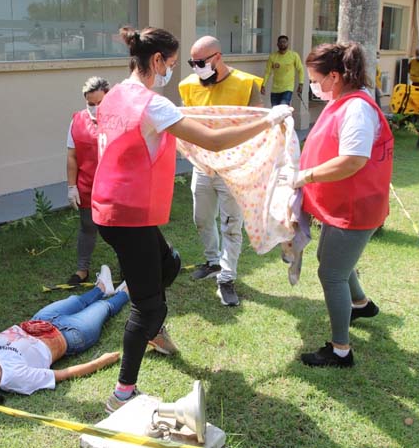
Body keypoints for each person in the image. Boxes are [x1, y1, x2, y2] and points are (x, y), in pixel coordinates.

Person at [94, 26, 293, 412]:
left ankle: (151, 325)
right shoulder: (153, 105)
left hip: (113, 207)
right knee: (148, 306)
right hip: (127, 215)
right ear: (156, 61)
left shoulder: (117, 94)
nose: (173, 71)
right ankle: (122, 393)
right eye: (171, 63)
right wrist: (269, 120)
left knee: (168, 264)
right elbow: (214, 141)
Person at [279, 42, 393, 368]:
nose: (314, 86)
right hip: (344, 204)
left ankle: (340, 351)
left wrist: (305, 177)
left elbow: (353, 160)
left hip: (355, 207)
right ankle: (361, 304)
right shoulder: (344, 101)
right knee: (333, 263)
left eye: (316, 79)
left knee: (331, 274)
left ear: (334, 76)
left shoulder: (357, 109)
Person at [0, 270, 127, 402]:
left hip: (41, 320)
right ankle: (127, 291)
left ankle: (102, 287)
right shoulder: (13, 378)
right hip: (70, 334)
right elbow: (63, 374)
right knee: (105, 307)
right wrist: (101, 362)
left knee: (77, 299)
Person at [179, 36, 263, 307]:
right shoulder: (188, 85)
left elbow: (257, 122)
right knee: (201, 218)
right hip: (203, 166)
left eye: (201, 62)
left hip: (233, 167)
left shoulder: (247, 84)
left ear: (218, 57)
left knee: (231, 224)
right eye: (193, 63)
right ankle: (213, 261)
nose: (196, 68)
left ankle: (226, 278)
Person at [65, 77, 110, 285]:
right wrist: (71, 186)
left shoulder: (119, 120)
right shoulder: (77, 121)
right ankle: (82, 270)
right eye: (90, 104)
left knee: (118, 231)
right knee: (87, 227)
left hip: (114, 186)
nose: (95, 108)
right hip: (87, 186)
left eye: (99, 103)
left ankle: (127, 268)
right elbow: (72, 156)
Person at [261, 35, 304, 106]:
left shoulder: (294, 56)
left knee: (283, 107)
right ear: (277, 44)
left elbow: (300, 69)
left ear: (288, 44)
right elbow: (267, 72)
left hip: (288, 88)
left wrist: (301, 83)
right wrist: (263, 85)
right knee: (275, 111)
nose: (282, 44)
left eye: (284, 42)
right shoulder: (273, 57)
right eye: (280, 42)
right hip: (275, 89)